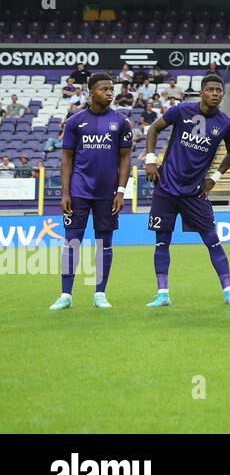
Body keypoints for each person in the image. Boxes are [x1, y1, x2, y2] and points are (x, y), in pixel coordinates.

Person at [142, 75, 230, 307]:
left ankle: (229, 292)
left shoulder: (226, 123)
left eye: (219, 90)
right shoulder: (182, 110)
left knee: (212, 241)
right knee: (162, 242)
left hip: (195, 193)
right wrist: (149, 160)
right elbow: (153, 130)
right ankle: (163, 294)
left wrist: (214, 179)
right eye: (211, 90)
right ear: (201, 92)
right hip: (166, 189)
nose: (216, 93)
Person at [49, 73, 132, 311]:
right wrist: (66, 193)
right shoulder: (75, 122)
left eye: (111, 89)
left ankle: (100, 294)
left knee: (104, 243)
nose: (109, 92)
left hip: (108, 195)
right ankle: (66, 295)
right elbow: (66, 159)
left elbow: (125, 159)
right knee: (71, 242)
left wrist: (121, 191)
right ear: (91, 92)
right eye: (104, 89)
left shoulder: (121, 122)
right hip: (79, 192)